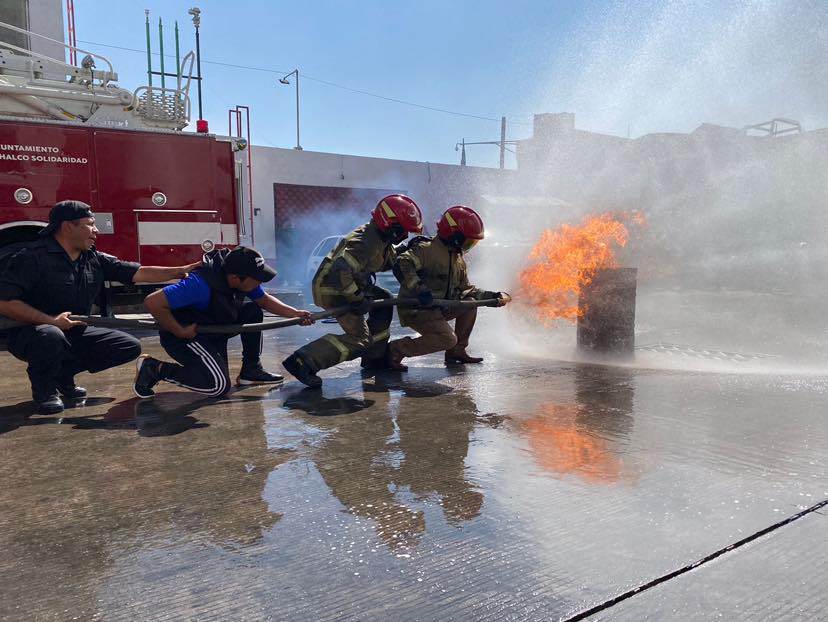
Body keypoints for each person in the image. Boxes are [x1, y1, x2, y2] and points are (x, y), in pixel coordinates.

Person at [0, 200, 198, 414]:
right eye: (90, 224)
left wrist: (179, 271)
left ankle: (62, 375)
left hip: (73, 329)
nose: (96, 231)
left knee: (127, 346)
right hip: (30, 333)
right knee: (51, 336)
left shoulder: (91, 258)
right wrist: (51, 321)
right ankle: (45, 391)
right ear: (68, 226)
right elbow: (5, 302)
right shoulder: (32, 258)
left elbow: (137, 273)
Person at [134, 246, 314, 399]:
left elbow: (264, 301)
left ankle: (251, 370)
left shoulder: (238, 277)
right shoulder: (199, 284)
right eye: (256, 279)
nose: (259, 282)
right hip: (186, 337)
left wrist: (295, 314)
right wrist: (180, 331)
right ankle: (154, 369)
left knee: (252, 311)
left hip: (212, 330)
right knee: (218, 385)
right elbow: (153, 302)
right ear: (236, 277)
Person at [281, 194, 423, 388]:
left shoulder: (379, 237)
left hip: (353, 286)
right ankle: (303, 361)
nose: (404, 236)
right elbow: (341, 271)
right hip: (334, 290)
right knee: (359, 340)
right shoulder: (366, 240)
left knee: (384, 301)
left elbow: (382, 262)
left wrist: (405, 248)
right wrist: (356, 299)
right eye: (403, 232)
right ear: (389, 224)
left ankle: (375, 358)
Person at [387, 205, 510, 370]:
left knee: (470, 302)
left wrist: (492, 297)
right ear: (455, 235)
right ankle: (396, 349)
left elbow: (466, 290)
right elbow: (402, 264)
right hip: (418, 309)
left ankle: (456, 352)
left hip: (439, 308)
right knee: (447, 339)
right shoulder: (426, 249)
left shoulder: (457, 258)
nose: (469, 246)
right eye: (468, 240)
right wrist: (419, 289)